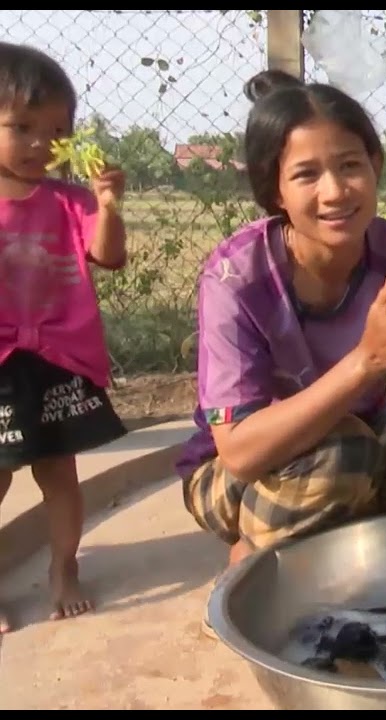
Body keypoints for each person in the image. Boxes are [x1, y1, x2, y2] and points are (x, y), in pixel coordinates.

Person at [174, 69, 386, 584]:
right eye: (306, 175)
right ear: (274, 189)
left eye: (350, 166)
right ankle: (254, 548)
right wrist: (365, 362)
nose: (336, 191)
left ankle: (378, 559)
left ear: (375, 166)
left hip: (352, 440)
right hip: (234, 473)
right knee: (343, 455)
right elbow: (239, 450)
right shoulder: (237, 276)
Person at [0, 42, 131, 632]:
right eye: (22, 128)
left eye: (56, 131)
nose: (40, 144)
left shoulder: (71, 200)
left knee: (59, 472)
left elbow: (109, 255)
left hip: (57, 357)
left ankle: (64, 567)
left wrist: (108, 206)